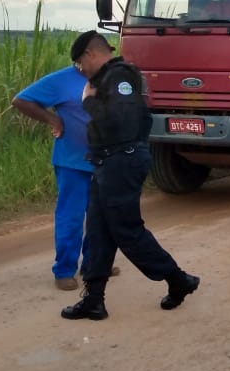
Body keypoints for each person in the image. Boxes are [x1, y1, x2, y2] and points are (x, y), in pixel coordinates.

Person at [61, 30, 200, 321]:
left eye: (79, 63)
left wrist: (89, 101)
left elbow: (120, 121)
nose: (80, 70)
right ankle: (94, 299)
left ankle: (177, 279)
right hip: (106, 163)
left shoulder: (121, 78)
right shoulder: (104, 80)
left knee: (126, 230)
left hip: (121, 162)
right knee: (99, 229)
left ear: (90, 54)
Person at [12, 60, 122, 290]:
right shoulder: (61, 79)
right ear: (86, 55)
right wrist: (52, 119)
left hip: (103, 161)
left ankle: (94, 264)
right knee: (70, 217)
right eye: (100, 55)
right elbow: (21, 100)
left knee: (100, 217)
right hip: (72, 162)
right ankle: (64, 270)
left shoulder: (109, 78)